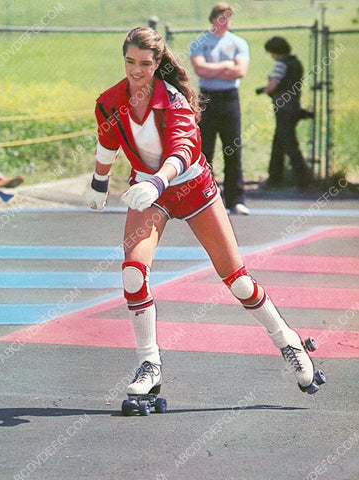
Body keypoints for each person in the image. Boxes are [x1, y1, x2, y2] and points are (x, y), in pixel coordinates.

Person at [86, 26, 324, 404]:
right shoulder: (111, 100)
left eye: (145, 64)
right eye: (130, 62)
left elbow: (181, 151)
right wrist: (99, 184)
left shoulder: (176, 101)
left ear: (158, 62)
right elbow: (107, 140)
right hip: (152, 193)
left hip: (191, 188)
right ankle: (150, 365)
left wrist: (156, 183)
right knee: (133, 269)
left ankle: (288, 340)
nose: (136, 70)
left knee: (238, 280)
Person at [189, 2, 250, 215]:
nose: (225, 22)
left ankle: (236, 199)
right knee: (205, 150)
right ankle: (205, 197)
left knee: (233, 148)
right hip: (207, 98)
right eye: (221, 17)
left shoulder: (238, 43)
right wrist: (225, 66)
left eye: (228, 17)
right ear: (213, 19)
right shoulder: (200, 42)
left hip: (230, 98)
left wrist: (217, 69)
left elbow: (240, 71)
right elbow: (200, 69)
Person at [259, 36, 313, 190]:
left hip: (283, 110)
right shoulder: (295, 63)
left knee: (289, 145)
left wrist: (265, 89)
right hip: (294, 107)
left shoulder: (280, 64)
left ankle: (303, 181)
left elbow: (272, 86)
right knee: (279, 143)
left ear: (275, 51)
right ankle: (275, 178)